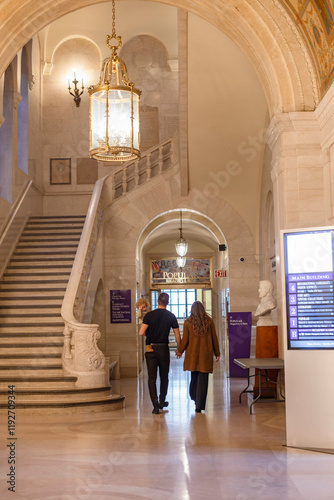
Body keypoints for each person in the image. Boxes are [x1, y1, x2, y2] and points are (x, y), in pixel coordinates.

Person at [139, 292, 180, 415]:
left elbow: (141, 332)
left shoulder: (149, 316)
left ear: (157, 301)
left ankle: (155, 405)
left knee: (152, 378)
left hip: (150, 348)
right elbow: (177, 334)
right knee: (164, 376)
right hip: (163, 348)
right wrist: (179, 348)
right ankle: (162, 400)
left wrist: (150, 333)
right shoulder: (171, 316)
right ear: (168, 302)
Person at [175, 301, 220, 413]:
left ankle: (195, 398)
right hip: (205, 355)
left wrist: (179, 350)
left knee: (194, 377)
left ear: (192, 310)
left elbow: (185, 339)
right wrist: (217, 352)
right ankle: (199, 405)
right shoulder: (209, 321)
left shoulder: (188, 322)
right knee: (203, 380)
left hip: (193, 355)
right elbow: (214, 338)